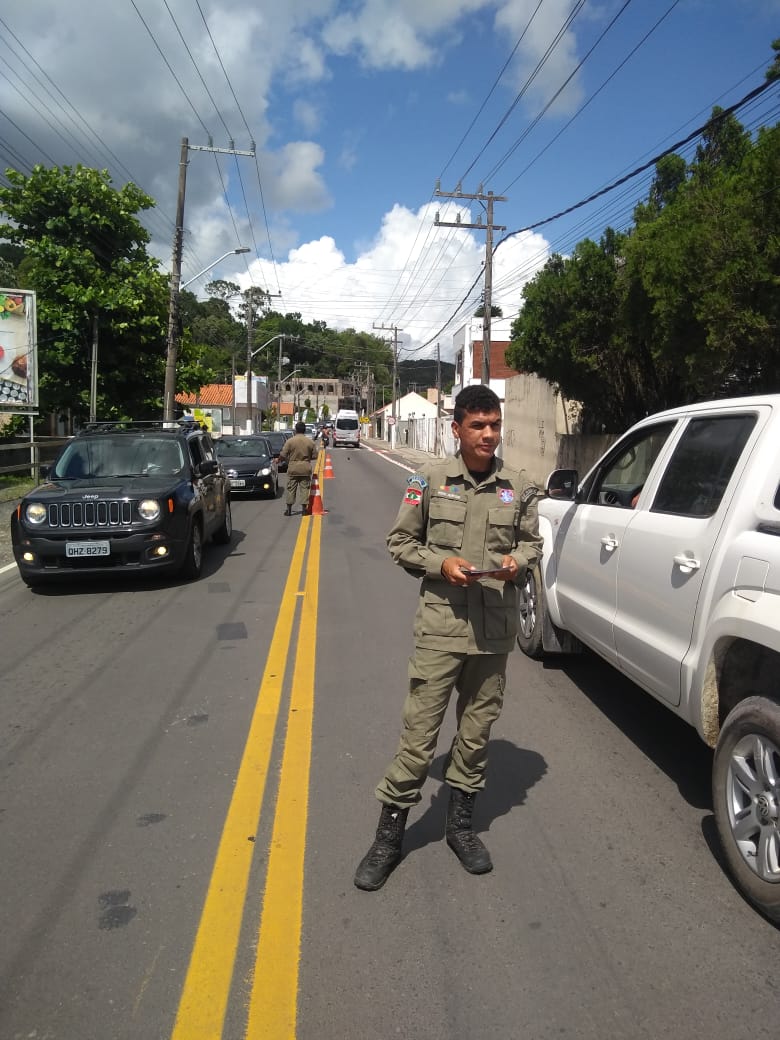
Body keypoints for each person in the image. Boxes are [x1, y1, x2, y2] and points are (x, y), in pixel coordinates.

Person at [354, 384, 542, 891]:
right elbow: (399, 542)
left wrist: (515, 564)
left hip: (493, 633)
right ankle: (389, 837)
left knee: (476, 735)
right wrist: (442, 564)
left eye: (495, 425)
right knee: (419, 736)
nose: (488, 435)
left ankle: (460, 827)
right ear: (455, 429)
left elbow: (531, 545)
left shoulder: (517, 486)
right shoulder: (430, 480)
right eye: (478, 425)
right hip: (441, 629)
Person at [280, 420, 318, 516]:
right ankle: (304, 510)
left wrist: (280, 460)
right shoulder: (310, 442)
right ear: (304, 430)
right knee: (305, 488)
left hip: (293, 468)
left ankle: (289, 510)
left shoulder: (290, 441)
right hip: (305, 468)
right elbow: (315, 456)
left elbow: (283, 455)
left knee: (291, 489)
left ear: (296, 430)